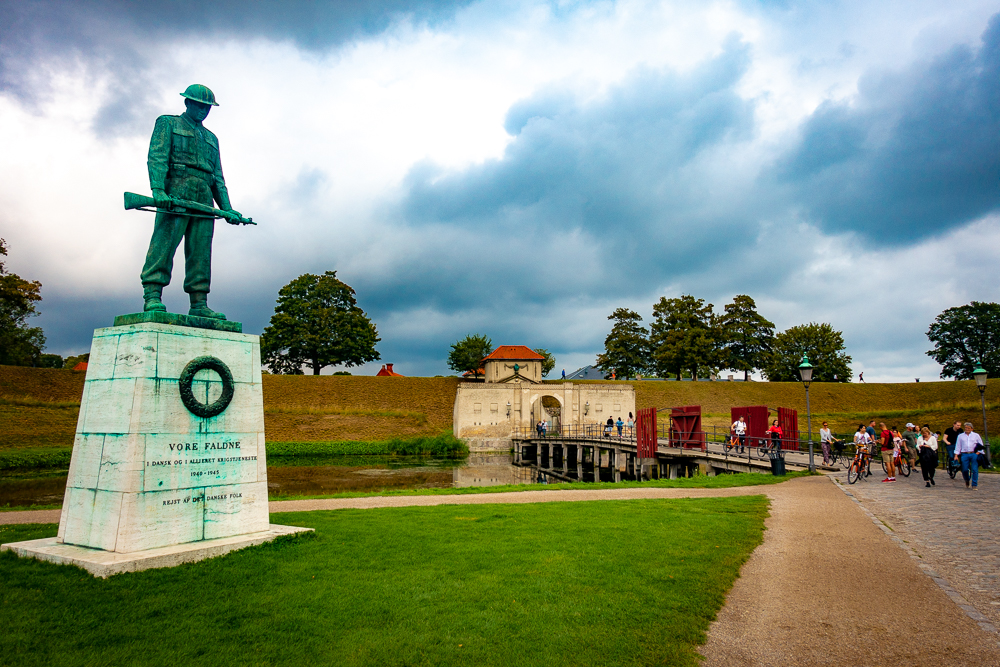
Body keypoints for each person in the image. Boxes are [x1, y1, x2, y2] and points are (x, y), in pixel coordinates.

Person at [140, 84, 244, 319]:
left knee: (200, 252)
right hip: (176, 191)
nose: (203, 110)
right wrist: (158, 189)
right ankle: (152, 295)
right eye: (199, 105)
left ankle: (199, 303)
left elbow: (218, 177)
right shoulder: (168, 123)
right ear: (187, 103)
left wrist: (226, 209)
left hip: (204, 197)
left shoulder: (211, 138)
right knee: (164, 245)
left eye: (207, 107)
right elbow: (156, 157)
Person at [955, 422, 983, 489]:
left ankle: (974, 484)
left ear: (972, 429)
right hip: (964, 454)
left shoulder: (976, 435)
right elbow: (958, 446)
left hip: (973, 453)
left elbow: (980, 445)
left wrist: (978, 452)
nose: (967, 429)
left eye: (968, 428)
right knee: (964, 469)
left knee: (974, 469)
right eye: (966, 428)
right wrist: (956, 455)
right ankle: (967, 479)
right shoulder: (960, 436)